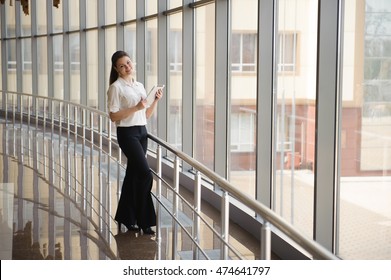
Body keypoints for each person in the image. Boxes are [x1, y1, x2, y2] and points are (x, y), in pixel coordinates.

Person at [107, 50, 163, 235]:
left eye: (129, 63)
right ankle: (144, 220)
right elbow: (113, 116)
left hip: (141, 131)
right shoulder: (116, 87)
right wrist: (135, 107)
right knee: (145, 174)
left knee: (133, 176)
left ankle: (127, 217)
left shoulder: (139, 85)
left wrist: (154, 101)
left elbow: (144, 114)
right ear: (117, 69)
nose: (127, 67)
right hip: (127, 133)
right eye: (122, 66)